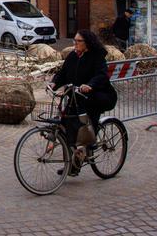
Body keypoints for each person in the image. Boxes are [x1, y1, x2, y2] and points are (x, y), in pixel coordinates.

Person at [50, 29, 117, 176]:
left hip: (96, 97)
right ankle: (71, 163)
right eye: (74, 40)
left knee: (87, 126)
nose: (75, 44)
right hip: (76, 97)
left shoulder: (97, 56)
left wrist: (90, 85)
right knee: (66, 125)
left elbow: (102, 74)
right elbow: (63, 73)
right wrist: (54, 83)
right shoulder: (73, 56)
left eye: (78, 41)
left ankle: (86, 148)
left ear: (87, 43)